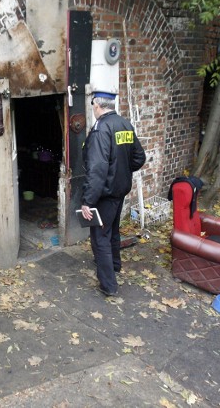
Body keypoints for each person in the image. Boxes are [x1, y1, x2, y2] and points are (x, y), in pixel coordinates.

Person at [81, 92, 146, 297]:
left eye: (93, 106)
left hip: (105, 194)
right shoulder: (125, 124)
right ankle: (115, 265)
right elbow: (139, 157)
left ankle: (108, 285)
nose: (93, 109)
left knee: (100, 237)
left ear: (98, 106)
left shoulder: (101, 128)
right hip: (119, 190)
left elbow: (98, 169)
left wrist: (87, 201)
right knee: (113, 231)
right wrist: (122, 171)